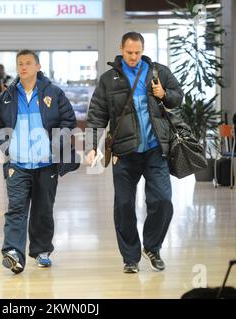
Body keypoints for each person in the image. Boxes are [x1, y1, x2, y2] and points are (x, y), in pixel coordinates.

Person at [86, 32, 183, 273]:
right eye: (129, 52)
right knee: (124, 205)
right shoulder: (108, 79)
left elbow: (178, 97)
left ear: (143, 49)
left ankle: (152, 246)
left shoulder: (157, 72)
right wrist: (91, 145)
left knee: (162, 200)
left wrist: (165, 95)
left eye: (137, 52)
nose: (133, 57)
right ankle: (130, 258)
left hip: (154, 149)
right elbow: (97, 113)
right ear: (121, 49)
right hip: (124, 153)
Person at [0, 49, 77, 274]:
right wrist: (7, 147)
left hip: (45, 163)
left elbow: (69, 120)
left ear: (38, 67)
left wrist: (56, 146)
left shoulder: (54, 93)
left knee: (43, 210)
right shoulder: (8, 95)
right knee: (16, 209)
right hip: (17, 164)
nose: (23, 67)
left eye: (28, 63)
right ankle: (13, 253)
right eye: (20, 63)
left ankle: (42, 251)